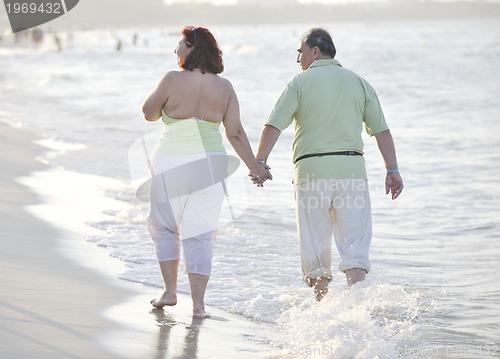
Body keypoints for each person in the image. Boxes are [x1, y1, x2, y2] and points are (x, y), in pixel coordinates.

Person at [252, 28, 403, 301]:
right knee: (355, 250)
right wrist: (392, 170)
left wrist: (260, 162)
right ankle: (358, 311)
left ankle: (321, 313)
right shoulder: (358, 82)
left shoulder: (299, 83)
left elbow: (273, 125)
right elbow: (381, 131)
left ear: (315, 51)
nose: (297, 58)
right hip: (352, 175)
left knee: (316, 251)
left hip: (311, 176)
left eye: (300, 51)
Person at [142, 26, 270, 318]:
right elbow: (235, 133)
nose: (176, 51)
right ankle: (199, 305)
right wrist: (256, 168)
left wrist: (166, 106)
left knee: (164, 227)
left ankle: (170, 292)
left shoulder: (172, 79)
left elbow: (148, 113)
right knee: (200, 233)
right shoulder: (225, 88)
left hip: (172, 161)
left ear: (192, 49)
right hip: (211, 164)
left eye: (180, 45)